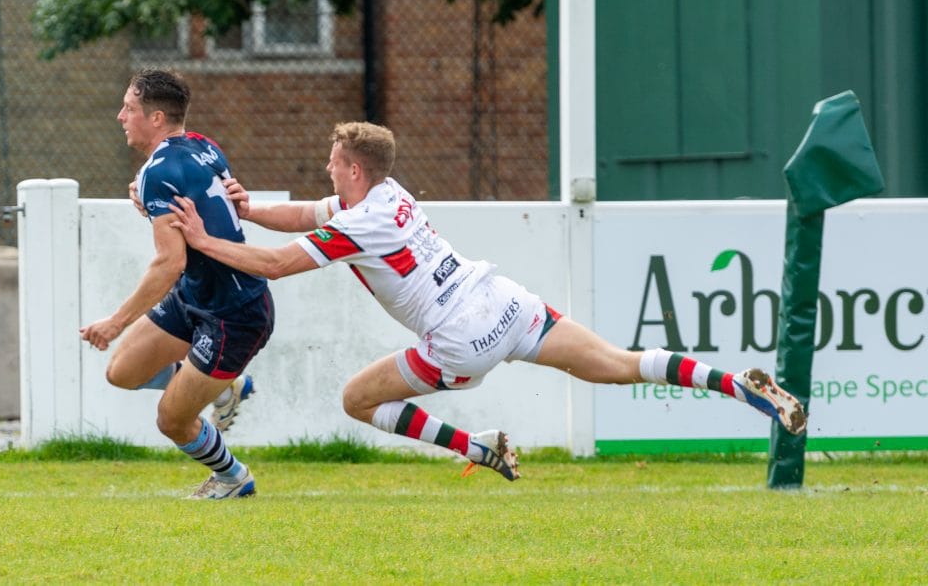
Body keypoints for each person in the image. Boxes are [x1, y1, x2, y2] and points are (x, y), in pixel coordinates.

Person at [168, 121, 806, 481]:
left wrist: (203, 240)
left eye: (334, 162)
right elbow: (308, 212)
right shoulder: (387, 194)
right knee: (618, 362)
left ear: (355, 170)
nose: (327, 169)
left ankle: (478, 448)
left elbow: (278, 264)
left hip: (461, 337)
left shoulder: (360, 223)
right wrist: (250, 209)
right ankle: (735, 385)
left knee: (357, 400)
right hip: (503, 299)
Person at [79, 69, 274, 499]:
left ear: (156, 118)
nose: (120, 117)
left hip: (235, 313)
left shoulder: (159, 170)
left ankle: (233, 477)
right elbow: (199, 208)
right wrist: (148, 199)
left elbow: (170, 262)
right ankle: (225, 388)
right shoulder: (203, 145)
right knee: (122, 372)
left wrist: (115, 322)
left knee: (171, 420)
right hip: (195, 294)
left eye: (129, 108)